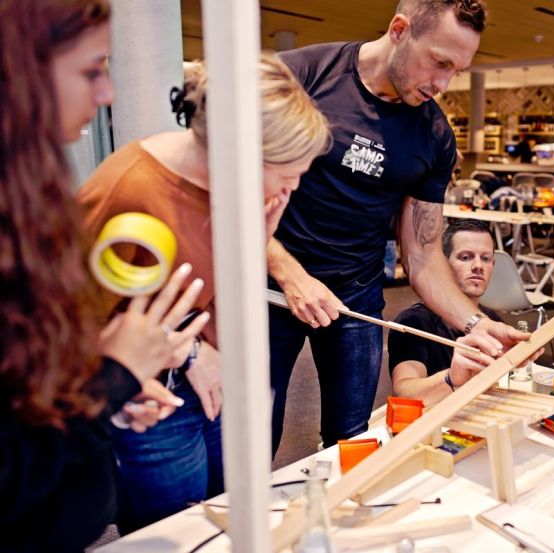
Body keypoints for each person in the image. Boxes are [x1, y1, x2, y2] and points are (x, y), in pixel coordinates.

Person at [76, 54, 330, 531]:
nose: (295, 186)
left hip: (219, 378)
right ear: (239, 154)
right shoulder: (130, 190)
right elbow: (71, 323)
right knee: (175, 530)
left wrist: (259, 233)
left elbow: (209, 283)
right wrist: (190, 352)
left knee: (226, 519)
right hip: (156, 398)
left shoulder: (236, 190)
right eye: (287, 172)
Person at [268, 0, 529, 454]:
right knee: (250, 434)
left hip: (355, 297)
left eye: (457, 71)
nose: (443, 85)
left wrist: (476, 324)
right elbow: (227, 197)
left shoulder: (434, 135)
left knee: (352, 438)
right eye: (439, 62)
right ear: (399, 30)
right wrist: (293, 277)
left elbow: (423, 254)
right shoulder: (303, 76)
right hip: (269, 285)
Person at [0, 1, 209, 550]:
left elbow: (24, 401)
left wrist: (103, 395)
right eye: (91, 70)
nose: (107, 94)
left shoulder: (28, 201)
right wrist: (111, 379)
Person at [389, 220, 554, 406]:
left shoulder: (491, 320)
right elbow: (404, 393)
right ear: (442, 265)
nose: (478, 266)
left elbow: (519, 377)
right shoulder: (414, 322)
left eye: (485, 258)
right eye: (465, 257)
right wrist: (451, 379)